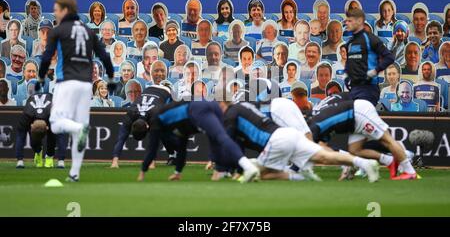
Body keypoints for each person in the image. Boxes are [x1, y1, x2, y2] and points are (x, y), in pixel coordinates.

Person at [36, 0, 115, 182]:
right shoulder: (88, 31)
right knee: (78, 128)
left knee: (55, 124)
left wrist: (41, 77)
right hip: (86, 85)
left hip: (66, 82)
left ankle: (79, 129)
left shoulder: (58, 30)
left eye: (56, 9)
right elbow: (104, 56)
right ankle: (74, 173)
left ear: (65, 10)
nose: (55, 13)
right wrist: (111, 78)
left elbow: (47, 57)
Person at [218, 97, 380, 182]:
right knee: (321, 155)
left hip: (278, 130)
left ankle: (299, 175)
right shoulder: (240, 108)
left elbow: (229, 141)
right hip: (286, 131)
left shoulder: (232, 113)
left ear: (222, 104)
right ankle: (364, 163)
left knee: (259, 173)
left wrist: (225, 166)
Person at [137, 100, 260, 183]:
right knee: (221, 139)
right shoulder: (179, 127)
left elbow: (152, 148)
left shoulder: (156, 121)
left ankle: (247, 167)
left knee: (221, 138)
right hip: (206, 106)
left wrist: (143, 171)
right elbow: (182, 149)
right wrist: (177, 172)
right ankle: (232, 170)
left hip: (197, 110)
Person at [308, 92, 418, 180]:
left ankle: (410, 171)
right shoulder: (315, 124)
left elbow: (318, 152)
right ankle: (389, 161)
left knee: (387, 140)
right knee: (355, 150)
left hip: (359, 112)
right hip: (353, 121)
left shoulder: (313, 128)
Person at [111, 83, 175, 168]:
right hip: (149, 89)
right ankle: (173, 155)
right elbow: (121, 138)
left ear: (148, 126)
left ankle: (173, 156)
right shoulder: (130, 114)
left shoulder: (153, 117)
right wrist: (114, 162)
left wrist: (152, 162)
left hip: (167, 91)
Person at [344, 8, 394, 106]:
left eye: (350, 20)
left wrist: (375, 71)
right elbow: (350, 62)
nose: (346, 23)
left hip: (368, 89)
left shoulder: (370, 39)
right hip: (354, 89)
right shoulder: (349, 43)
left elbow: (389, 57)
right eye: (346, 20)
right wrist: (347, 76)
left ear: (359, 21)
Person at [15, 84, 67, 169]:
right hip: (37, 113)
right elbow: (20, 135)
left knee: (54, 134)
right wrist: (19, 161)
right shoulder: (27, 115)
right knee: (33, 139)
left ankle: (49, 156)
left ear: (47, 127)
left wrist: (61, 161)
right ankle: (38, 152)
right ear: (31, 126)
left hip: (51, 114)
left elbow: (61, 136)